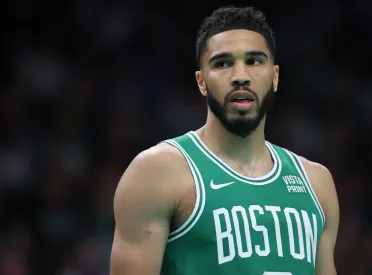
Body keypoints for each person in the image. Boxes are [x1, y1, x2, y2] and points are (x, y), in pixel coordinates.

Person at [109, 6, 339, 275]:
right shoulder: (159, 172)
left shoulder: (316, 183)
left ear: (274, 76)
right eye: (222, 63)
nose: (240, 76)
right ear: (201, 81)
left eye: (254, 61)